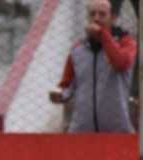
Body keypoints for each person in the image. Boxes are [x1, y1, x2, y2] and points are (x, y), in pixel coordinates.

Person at [50, 0, 137, 133]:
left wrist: (103, 35)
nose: (96, 18)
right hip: (82, 130)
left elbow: (121, 63)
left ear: (113, 18)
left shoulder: (126, 43)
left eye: (102, 14)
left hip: (116, 130)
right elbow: (67, 84)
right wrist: (61, 95)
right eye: (92, 14)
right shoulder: (77, 49)